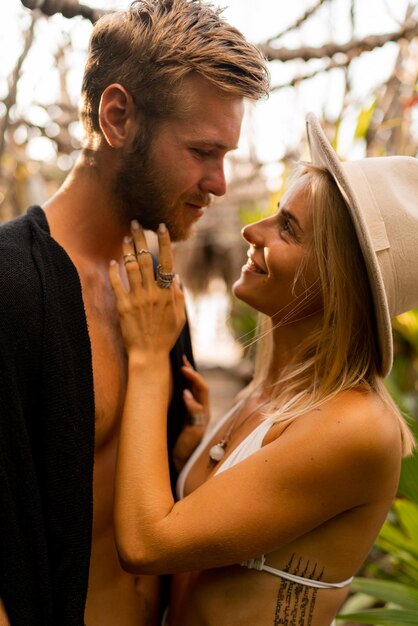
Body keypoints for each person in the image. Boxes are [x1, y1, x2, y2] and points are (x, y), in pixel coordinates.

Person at [0, 1, 269, 624]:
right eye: (203, 151)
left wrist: (178, 458)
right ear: (118, 116)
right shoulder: (11, 287)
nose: (220, 183)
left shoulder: (156, 284)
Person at [109, 112, 417, 626]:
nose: (253, 229)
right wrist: (191, 454)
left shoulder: (356, 427)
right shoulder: (265, 394)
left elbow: (146, 543)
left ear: (337, 281)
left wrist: (146, 358)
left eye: (287, 228)